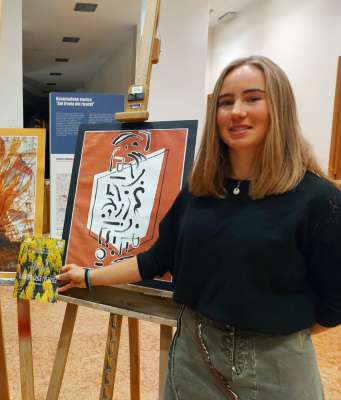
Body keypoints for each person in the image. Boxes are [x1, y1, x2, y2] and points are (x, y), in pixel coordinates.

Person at [58, 55, 341, 399]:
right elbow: (156, 259)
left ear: (280, 106)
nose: (237, 111)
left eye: (253, 98)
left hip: (276, 368)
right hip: (195, 358)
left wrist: (273, 336)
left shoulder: (317, 199)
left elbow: (334, 303)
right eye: (226, 102)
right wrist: (88, 276)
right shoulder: (200, 189)